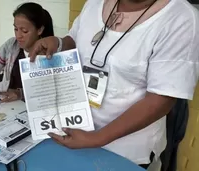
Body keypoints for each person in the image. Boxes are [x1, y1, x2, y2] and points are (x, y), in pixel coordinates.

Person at [29, 0, 199, 169]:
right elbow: (75, 40)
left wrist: (96, 138)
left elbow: (161, 99)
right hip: (76, 131)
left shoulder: (181, 18)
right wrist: (58, 44)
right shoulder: (95, 4)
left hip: (126, 152)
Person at [0, 2, 54, 102]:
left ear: (39, 30)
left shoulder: (48, 54)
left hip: (33, 107)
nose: (18, 35)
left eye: (24, 31)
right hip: (9, 104)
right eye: (16, 29)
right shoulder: (11, 45)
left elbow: (48, 91)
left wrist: (20, 94)